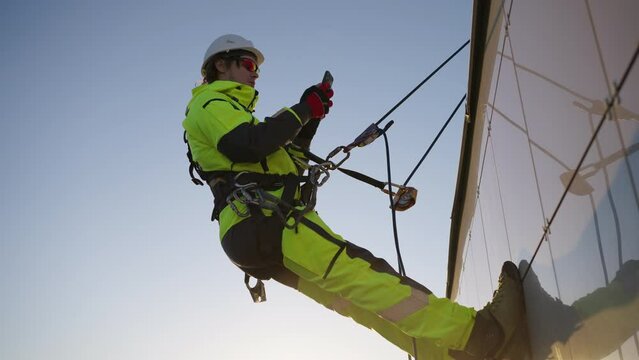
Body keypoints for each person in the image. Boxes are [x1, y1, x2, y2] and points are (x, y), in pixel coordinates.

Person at [182, 34, 529, 360]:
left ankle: (454, 354)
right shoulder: (212, 102)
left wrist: (309, 122)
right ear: (221, 66)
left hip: (248, 233)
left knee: (359, 305)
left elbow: (285, 163)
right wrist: (303, 109)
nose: (254, 73)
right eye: (247, 63)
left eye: (256, 67)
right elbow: (249, 143)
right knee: (366, 277)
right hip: (266, 219)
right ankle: (485, 334)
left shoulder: (230, 113)